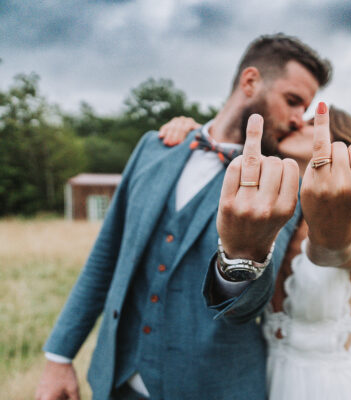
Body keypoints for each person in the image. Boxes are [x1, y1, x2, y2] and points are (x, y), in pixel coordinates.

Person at [36, 34, 332, 400]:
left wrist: (243, 253)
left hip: (211, 388)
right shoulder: (153, 148)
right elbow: (105, 256)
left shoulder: (283, 184)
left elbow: (245, 308)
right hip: (114, 381)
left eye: (305, 108)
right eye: (293, 102)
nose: (298, 120)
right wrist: (59, 356)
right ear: (250, 81)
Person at [160, 104, 351, 399]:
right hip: (260, 378)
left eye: (310, 122)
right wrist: (192, 129)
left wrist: (331, 233)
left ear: (341, 144)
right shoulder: (270, 216)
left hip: (328, 386)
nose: (296, 123)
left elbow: (334, 251)